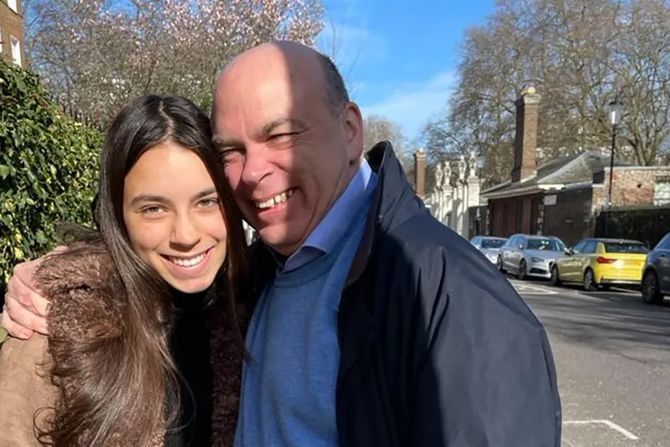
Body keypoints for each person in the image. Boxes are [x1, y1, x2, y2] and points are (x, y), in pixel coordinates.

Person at [3, 42, 562, 446]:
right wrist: (65, 279)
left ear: (349, 130)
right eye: (233, 151)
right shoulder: (267, 271)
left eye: (282, 134)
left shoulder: (446, 295)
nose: (255, 173)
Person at [0, 95, 247, 446]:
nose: (186, 236)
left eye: (207, 202)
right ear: (118, 215)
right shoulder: (56, 329)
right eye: (153, 209)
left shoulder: (257, 305)